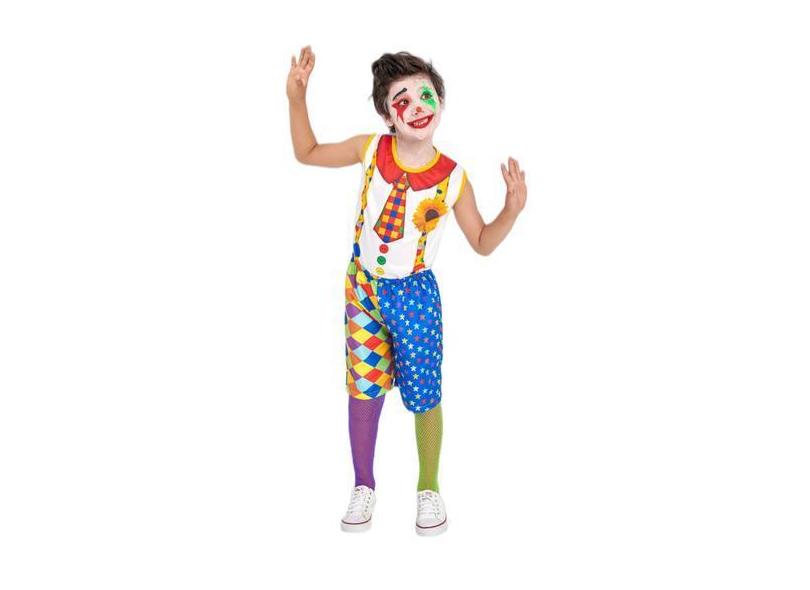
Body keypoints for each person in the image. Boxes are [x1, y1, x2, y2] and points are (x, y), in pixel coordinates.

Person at [287, 45, 527, 536]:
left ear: (441, 100)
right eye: (402, 100)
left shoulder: (453, 178)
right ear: (386, 115)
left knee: (424, 393)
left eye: (425, 94)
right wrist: (297, 98)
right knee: (363, 387)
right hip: (363, 290)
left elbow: (482, 242)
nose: (417, 106)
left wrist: (511, 211)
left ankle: (428, 488)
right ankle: (363, 485)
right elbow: (307, 153)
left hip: (414, 297)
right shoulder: (370, 150)